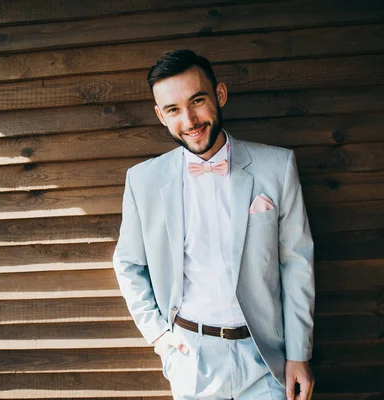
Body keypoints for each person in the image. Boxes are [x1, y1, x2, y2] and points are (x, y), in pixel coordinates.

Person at [113, 49, 315, 400]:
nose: (189, 120)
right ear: (161, 116)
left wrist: (299, 354)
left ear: (219, 95)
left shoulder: (277, 166)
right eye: (173, 110)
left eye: (197, 101)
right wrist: (160, 338)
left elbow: (297, 263)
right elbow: (128, 263)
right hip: (192, 361)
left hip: (266, 359)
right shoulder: (142, 181)